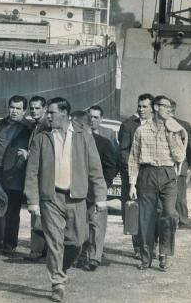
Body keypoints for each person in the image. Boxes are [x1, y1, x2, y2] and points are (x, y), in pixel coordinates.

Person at [25, 98, 107, 302]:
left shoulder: (83, 136)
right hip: (50, 197)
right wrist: (32, 200)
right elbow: (32, 172)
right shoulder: (42, 138)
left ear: (64, 113)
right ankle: (58, 283)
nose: (48, 116)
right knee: (54, 242)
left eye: (52, 113)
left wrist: (100, 197)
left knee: (78, 241)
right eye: (48, 113)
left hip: (76, 197)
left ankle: (60, 267)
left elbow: (95, 169)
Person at [128, 95, 186, 271]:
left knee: (169, 214)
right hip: (147, 173)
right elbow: (133, 158)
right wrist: (132, 183)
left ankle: (164, 254)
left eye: (170, 108)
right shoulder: (141, 130)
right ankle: (146, 258)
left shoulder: (174, 130)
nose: (169, 110)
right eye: (165, 107)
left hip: (168, 175)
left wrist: (171, 137)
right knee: (146, 217)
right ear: (155, 108)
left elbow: (179, 157)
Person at [72, 110, 116, 271]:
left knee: (97, 226)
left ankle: (95, 258)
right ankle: (81, 256)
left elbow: (112, 166)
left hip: (97, 190)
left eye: (74, 124)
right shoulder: (73, 142)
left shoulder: (103, 143)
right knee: (81, 226)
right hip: (79, 191)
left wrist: (104, 184)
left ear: (82, 125)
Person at [0, 95, 31, 253]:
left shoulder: (29, 127)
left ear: (24, 110)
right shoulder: (2, 123)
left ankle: (9, 243)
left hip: (15, 173)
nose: (14, 111)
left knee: (13, 211)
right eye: (12, 107)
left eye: (18, 108)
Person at [118, 93, 154, 258]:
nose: (141, 109)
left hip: (151, 175)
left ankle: (151, 245)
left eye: (145, 106)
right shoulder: (128, 125)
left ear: (152, 108)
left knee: (151, 210)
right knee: (132, 210)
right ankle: (138, 247)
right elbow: (123, 150)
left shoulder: (157, 125)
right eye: (139, 106)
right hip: (132, 174)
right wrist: (131, 169)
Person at [26, 96, 50, 261]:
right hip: (38, 175)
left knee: (40, 214)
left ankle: (39, 250)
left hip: (43, 177)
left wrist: (28, 156)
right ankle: (40, 249)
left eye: (37, 108)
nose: (33, 111)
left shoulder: (46, 126)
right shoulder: (36, 125)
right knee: (38, 214)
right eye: (32, 108)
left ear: (45, 108)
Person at [170, 99, 191, 229]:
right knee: (180, 193)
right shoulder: (184, 124)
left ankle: (171, 220)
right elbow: (190, 147)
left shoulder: (162, 124)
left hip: (167, 164)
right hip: (181, 164)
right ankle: (183, 220)